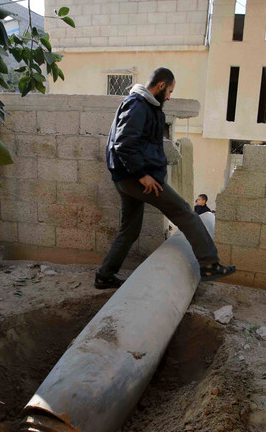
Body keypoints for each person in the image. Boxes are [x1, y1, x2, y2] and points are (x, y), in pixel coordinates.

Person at [95, 67, 235, 289]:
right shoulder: (138, 105)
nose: (169, 96)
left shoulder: (145, 105)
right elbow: (124, 143)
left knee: (130, 230)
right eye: (169, 91)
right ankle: (209, 264)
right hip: (137, 179)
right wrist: (143, 176)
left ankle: (104, 276)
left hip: (128, 178)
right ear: (160, 86)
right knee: (185, 212)